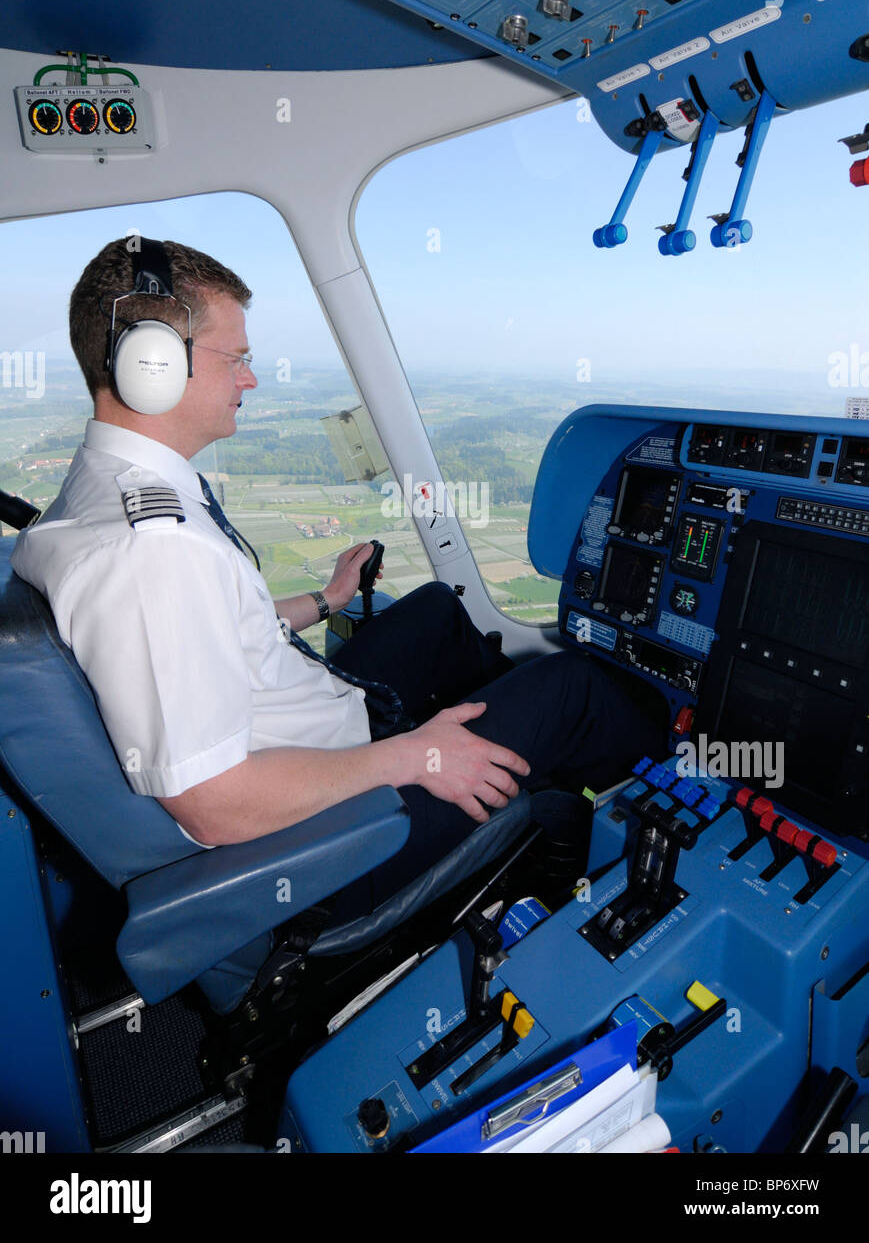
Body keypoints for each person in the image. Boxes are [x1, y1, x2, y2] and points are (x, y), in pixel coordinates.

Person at [12, 238, 664, 910]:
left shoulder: (108, 488)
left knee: (437, 608)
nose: (250, 379)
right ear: (152, 364)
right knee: (571, 688)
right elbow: (215, 806)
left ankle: (513, 759)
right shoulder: (153, 552)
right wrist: (416, 757)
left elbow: (202, 635)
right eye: (235, 359)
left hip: (310, 734)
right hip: (324, 844)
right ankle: (655, 797)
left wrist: (325, 601)